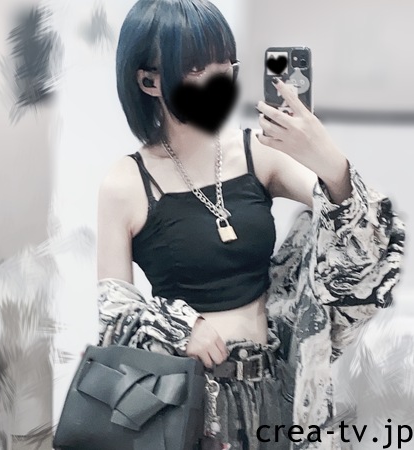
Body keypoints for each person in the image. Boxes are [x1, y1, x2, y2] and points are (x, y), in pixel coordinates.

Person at [96, 1, 405, 449]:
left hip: (274, 390)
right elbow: (114, 314)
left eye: (225, 67)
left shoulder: (256, 153)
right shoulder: (126, 182)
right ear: (149, 80)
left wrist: (328, 160)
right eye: (197, 70)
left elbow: (364, 230)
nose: (217, 83)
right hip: (191, 403)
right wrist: (179, 327)